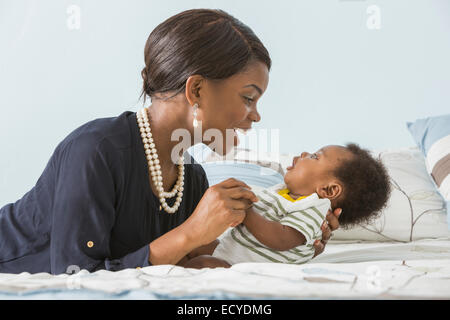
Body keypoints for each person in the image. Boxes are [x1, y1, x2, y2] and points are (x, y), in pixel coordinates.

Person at [0, 9, 341, 275]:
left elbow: (182, 261)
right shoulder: (96, 151)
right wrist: (190, 233)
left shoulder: (192, 180)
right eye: (249, 98)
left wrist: (295, 243)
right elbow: (75, 277)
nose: (256, 117)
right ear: (196, 90)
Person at [179, 143, 391, 268]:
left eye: (315, 156)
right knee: (191, 246)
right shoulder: (283, 192)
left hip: (249, 268)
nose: (303, 155)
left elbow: (281, 239)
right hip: (237, 252)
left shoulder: (313, 209)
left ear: (328, 190)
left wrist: (247, 212)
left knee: (203, 263)